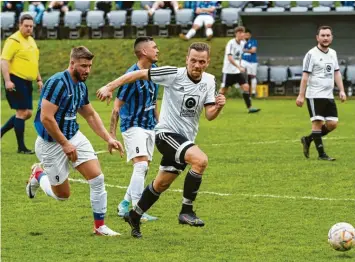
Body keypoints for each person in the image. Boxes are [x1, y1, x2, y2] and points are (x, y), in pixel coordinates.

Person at [97, 42, 226, 238]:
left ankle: (134, 214)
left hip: (185, 139)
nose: (197, 65)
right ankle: (186, 211)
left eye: (201, 62)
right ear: (186, 60)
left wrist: (218, 106)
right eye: (193, 60)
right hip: (166, 134)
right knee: (200, 161)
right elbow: (138, 74)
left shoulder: (209, 81)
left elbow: (209, 114)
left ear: (207, 62)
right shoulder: (173, 74)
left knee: (161, 184)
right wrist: (109, 86)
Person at [26, 46, 124, 236]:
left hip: (74, 136)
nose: (87, 70)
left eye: (89, 66)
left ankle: (100, 227)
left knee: (97, 178)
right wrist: (64, 144)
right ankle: (38, 175)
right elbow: (46, 118)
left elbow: (90, 115)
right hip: (51, 144)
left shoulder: (80, 85)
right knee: (62, 196)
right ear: (72, 63)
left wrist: (109, 138)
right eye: (83, 66)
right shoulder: (57, 83)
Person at [110, 37, 159, 222]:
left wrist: (159, 124)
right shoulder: (131, 76)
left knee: (144, 168)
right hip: (132, 126)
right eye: (154, 47)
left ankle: (124, 204)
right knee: (140, 166)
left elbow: (153, 101)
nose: (158, 50)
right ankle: (137, 211)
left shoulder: (154, 72)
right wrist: (112, 135)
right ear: (144, 52)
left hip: (149, 126)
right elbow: (116, 107)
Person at [296, 25, 346, 161]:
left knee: (332, 124)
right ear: (317, 38)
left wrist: (341, 90)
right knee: (317, 122)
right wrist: (301, 95)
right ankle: (322, 155)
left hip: (328, 95)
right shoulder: (311, 54)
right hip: (314, 95)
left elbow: (336, 72)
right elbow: (305, 76)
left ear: (332, 37)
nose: (325, 38)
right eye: (322, 35)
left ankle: (308, 139)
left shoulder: (333, 53)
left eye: (328, 35)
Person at [1, 14, 42, 154]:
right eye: (26, 26)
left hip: (27, 81)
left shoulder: (31, 41)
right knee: (22, 112)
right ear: (20, 25)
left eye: (31, 26)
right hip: (15, 79)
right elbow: (4, 60)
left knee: (28, 113)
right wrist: (7, 80)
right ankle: (21, 148)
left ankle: (0, 132)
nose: (29, 28)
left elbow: (33, 62)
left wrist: (39, 79)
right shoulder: (13, 40)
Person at [219, 26, 260, 113]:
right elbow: (230, 57)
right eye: (240, 33)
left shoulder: (242, 44)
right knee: (223, 90)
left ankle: (250, 108)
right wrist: (239, 67)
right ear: (236, 34)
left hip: (237, 71)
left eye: (243, 33)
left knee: (246, 87)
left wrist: (240, 66)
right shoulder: (231, 43)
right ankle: (216, 107)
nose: (242, 34)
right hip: (228, 71)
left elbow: (240, 57)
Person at [241, 28, 258, 98]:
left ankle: (253, 92)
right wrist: (248, 50)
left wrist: (244, 50)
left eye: (248, 35)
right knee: (240, 73)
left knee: (252, 77)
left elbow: (253, 50)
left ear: (250, 35)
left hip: (252, 62)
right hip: (244, 61)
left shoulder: (253, 41)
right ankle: (243, 91)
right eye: (245, 35)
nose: (246, 36)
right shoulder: (241, 42)